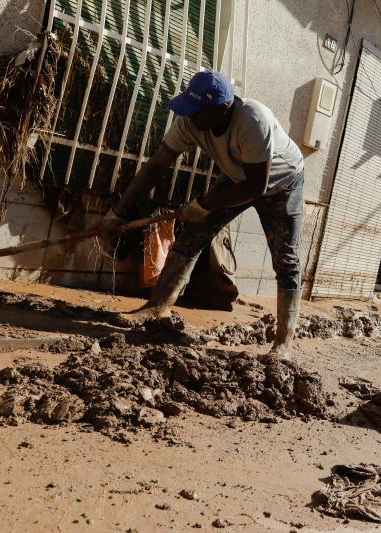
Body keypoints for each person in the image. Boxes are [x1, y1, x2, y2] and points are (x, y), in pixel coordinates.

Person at [98, 70, 304, 360]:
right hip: (238, 177)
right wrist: (116, 213)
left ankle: (284, 341)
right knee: (192, 236)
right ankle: (157, 307)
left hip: (282, 183)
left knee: (286, 259)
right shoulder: (190, 122)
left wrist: (206, 203)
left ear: (221, 109)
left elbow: (256, 185)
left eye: (197, 112)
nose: (190, 117)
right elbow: (157, 165)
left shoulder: (252, 120)